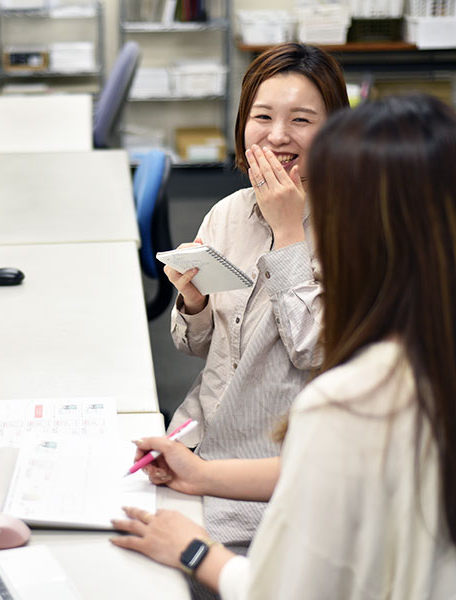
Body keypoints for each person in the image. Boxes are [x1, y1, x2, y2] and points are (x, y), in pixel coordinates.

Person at [111, 93, 456, 598]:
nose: (277, 137)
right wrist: (203, 474)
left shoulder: (353, 400)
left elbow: (279, 589)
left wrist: (192, 550)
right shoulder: (426, 353)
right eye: (262, 117)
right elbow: (338, 462)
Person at [163, 42, 349, 549]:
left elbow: (317, 350)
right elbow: (197, 348)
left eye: (302, 120)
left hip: (271, 475)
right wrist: (194, 304)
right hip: (197, 438)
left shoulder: (355, 228)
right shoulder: (228, 212)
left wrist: (290, 233)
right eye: (262, 116)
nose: (277, 135)